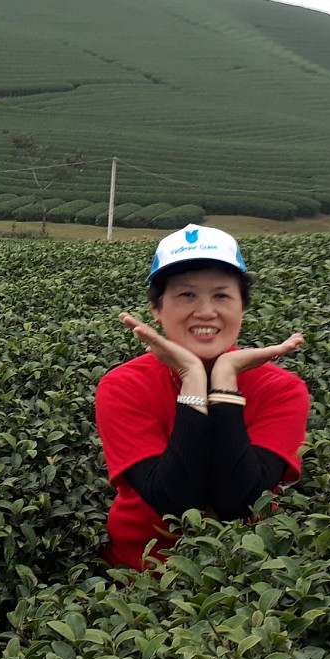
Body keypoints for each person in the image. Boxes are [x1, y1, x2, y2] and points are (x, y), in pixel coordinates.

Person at [95, 224, 309, 571]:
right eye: (187, 295)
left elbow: (240, 501)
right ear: (156, 308)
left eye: (222, 296)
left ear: (242, 306)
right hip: (140, 575)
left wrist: (224, 378)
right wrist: (193, 378)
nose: (206, 311)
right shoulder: (123, 387)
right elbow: (177, 503)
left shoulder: (281, 390)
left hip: (249, 572)